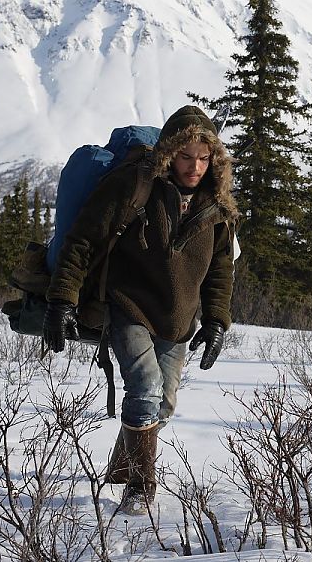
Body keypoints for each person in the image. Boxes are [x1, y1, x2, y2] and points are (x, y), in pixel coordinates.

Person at [43, 104, 238, 515]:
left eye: (204, 158)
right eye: (186, 157)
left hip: (178, 319)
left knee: (163, 404)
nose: (195, 167)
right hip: (128, 304)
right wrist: (62, 299)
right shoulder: (136, 184)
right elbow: (83, 241)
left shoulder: (217, 206)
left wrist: (217, 319)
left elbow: (221, 268)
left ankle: (122, 466)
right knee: (145, 388)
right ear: (170, 153)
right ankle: (140, 486)